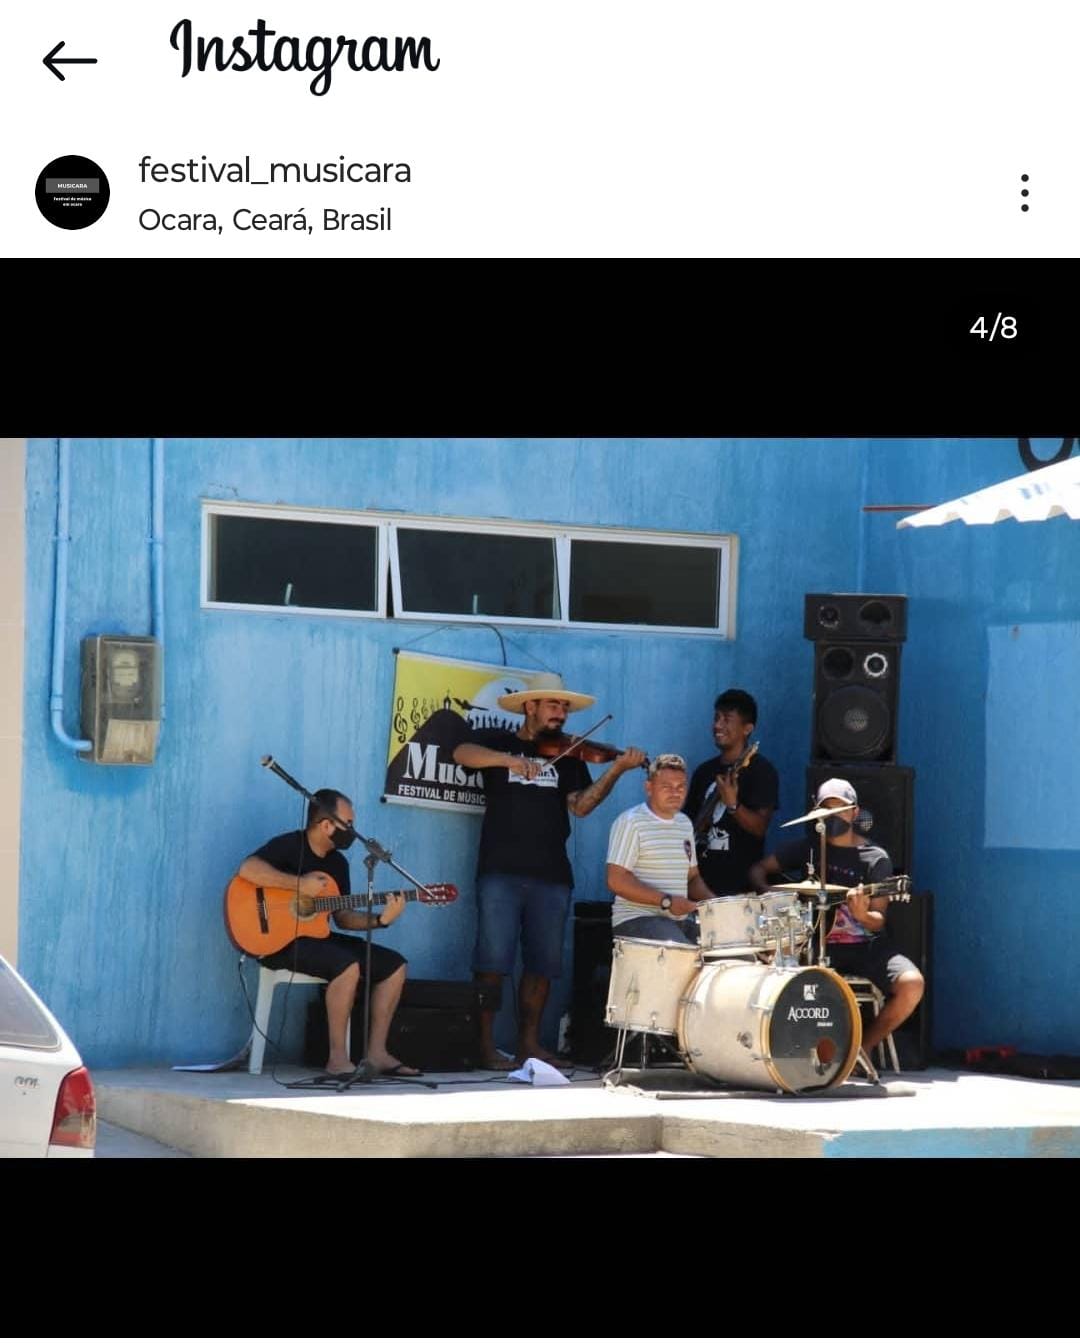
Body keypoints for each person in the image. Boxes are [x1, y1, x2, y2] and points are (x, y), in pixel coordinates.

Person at [452, 673, 646, 1069]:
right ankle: (486, 1047)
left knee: (542, 965)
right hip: (500, 870)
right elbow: (461, 752)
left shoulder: (570, 754)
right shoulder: (499, 742)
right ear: (530, 706)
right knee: (491, 961)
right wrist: (510, 760)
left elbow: (581, 806)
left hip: (551, 873)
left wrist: (616, 770)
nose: (561, 713)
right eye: (553, 705)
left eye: (564, 707)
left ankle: (529, 1045)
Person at [234, 788, 421, 1078]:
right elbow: (248, 869)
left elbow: (343, 918)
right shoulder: (290, 845)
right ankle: (337, 1059)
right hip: (276, 942)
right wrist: (298, 884)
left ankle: (377, 1054)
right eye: (348, 824)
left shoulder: (337, 864)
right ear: (325, 825)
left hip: (317, 938)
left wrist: (381, 920)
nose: (353, 831)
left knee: (394, 965)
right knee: (347, 965)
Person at [747, 777, 924, 1057]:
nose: (833, 816)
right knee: (770, 970)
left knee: (912, 984)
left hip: (865, 946)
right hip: (815, 944)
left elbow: (878, 918)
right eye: (826, 809)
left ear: (854, 812)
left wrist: (862, 915)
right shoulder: (807, 848)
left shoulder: (874, 858)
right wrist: (771, 895)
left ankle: (861, 1049)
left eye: (839, 810)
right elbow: (757, 870)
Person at [606, 753, 716, 945]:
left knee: (730, 946)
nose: (675, 793)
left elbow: (692, 878)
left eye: (681, 787)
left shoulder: (684, 823)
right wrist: (667, 901)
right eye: (667, 787)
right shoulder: (631, 822)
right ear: (649, 788)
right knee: (683, 952)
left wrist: (717, 905)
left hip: (679, 921)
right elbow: (616, 880)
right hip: (636, 919)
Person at [683, 688, 779, 895]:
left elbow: (760, 827)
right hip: (698, 886)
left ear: (747, 728)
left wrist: (733, 805)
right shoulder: (703, 771)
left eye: (727, 719)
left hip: (739, 890)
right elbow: (687, 824)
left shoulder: (761, 771)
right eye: (716, 718)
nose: (718, 725)